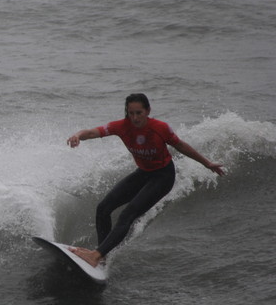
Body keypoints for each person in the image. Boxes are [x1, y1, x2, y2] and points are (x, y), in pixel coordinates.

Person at [66, 93, 225, 267]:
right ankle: (100, 255)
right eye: (131, 113)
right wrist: (78, 135)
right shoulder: (121, 126)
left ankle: (96, 255)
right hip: (143, 173)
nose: (134, 118)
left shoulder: (160, 128)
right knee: (103, 208)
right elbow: (91, 132)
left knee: (128, 214)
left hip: (163, 177)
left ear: (148, 111)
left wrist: (207, 163)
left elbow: (180, 146)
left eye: (139, 113)